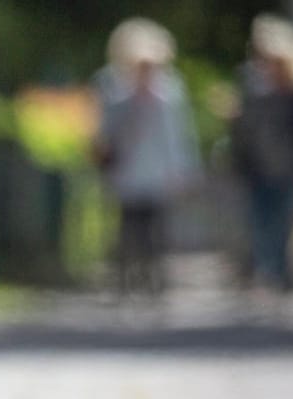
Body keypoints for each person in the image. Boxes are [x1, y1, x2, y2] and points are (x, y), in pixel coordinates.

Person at [94, 18, 201, 296]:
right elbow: (105, 129)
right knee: (129, 227)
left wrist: (184, 169)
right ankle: (127, 278)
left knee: (157, 228)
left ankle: (155, 279)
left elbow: (179, 133)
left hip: (158, 171)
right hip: (127, 169)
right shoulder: (112, 84)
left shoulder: (170, 87)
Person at [232, 14, 293, 291]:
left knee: (285, 224)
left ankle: (281, 274)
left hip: (289, 169)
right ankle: (267, 272)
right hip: (258, 168)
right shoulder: (252, 83)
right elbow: (245, 130)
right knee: (261, 224)